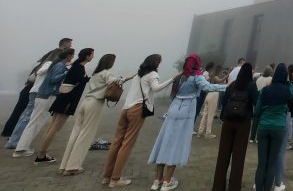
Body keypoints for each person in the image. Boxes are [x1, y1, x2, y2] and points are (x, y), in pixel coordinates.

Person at [147, 54, 227, 191]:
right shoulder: (197, 76)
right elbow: (207, 87)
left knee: (164, 142)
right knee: (176, 145)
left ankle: (156, 181)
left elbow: (172, 94)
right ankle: (167, 181)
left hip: (173, 108)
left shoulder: (180, 76)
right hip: (187, 110)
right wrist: (226, 87)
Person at [103, 54, 176, 188]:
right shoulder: (153, 74)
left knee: (116, 142)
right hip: (137, 110)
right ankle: (115, 179)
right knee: (127, 143)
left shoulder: (139, 74)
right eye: (159, 62)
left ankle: (107, 176)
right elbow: (156, 88)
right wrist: (172, 79)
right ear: (155, 63)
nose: (159, 64)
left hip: (125, 109)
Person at [59, 54, 134, 175]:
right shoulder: (106, 73)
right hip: (95, 103)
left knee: (75, 133)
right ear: (109, 62)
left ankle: (64, 166)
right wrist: (130, 77)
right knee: (86, 134)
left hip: (85, 102)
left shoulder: (95, 73)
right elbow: (116, 81)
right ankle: (72, 167)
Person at [34, 48, 95, 164]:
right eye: (92, 54)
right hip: (68, 100)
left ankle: (41, 153)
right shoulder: (78, 68)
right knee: (55, 128)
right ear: (87, 56)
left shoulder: (76, 66)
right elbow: (80, 80)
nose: (93, 57)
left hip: (62, 98)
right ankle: (41, 155)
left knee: (52, 127)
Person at [2, 38, 71, 138]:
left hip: (30, 87)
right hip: (34, 89)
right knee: (27, 114)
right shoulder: (56, 55)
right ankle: (14, 135)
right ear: (64, 45)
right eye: (69, 44)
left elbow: (37, 70)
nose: (71, 46)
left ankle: (8, 132)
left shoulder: (49, 56)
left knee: (19, 111)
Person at [13, 48, 74, 158]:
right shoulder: (59, 66)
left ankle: (21, 148)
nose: (73, 57)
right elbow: (53, 79)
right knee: (35, 123)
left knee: (33, 122)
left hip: (43, 95)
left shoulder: (55, 64)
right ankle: (21, 149)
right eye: (72, 55)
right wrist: (66, 72)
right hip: (47, 96)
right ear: (68, 56)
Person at [213, 62, 258, 191]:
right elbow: (257, 101)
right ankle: (234, 187)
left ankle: (218, 186)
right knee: (239, 157)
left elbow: (224, 101)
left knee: (223, 155)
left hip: (228, 122)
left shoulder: (232, 85)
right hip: (243, 123)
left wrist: (223, 116)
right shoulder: (251, 86)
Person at [250, 63, 293, 191]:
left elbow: (257, 111)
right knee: (272, 163)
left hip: (263, 127)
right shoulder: (287, 90)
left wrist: (253, 133)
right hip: (278, 128)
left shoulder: (265, 90)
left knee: (262, 163)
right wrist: (288, 81)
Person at [6, 49, 62, 150]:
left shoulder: (43, 65)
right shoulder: (51, 65)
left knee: (26, 117)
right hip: (40, 92)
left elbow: (32, 78)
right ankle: (15, 142)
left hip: (33, 91)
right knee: (29, 119)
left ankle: (13, 140)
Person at [197, 65, 225, 139]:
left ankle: (200, 131)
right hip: (214, 94)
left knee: (205, 114)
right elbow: (220, 81)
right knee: (210, 115)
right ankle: (208, 132)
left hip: (209, 94)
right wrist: (227, 75)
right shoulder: (215, 77)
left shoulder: (210, 76)